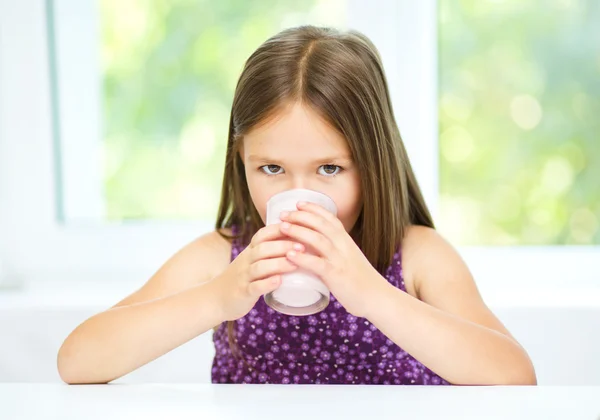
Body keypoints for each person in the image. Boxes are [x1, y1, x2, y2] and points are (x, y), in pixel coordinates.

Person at [57, 26, 536, 386]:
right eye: (271, 169)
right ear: (239, 160)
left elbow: (516, 379)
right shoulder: (221, 258)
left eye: (330, 169)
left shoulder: (416, 257)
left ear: (374, 161)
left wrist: (373, 295)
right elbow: (78, 362)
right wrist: (217, 298)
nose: (301, 192)